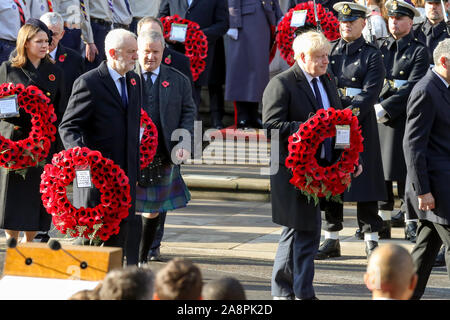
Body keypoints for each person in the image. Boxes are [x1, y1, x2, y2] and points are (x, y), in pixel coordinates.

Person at [263, 30, 358, 300]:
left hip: (322, 170)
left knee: (306, 232)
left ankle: (295, 291)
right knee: (298, 230)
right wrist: (309, 128)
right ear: (302, 57)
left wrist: (350, 159)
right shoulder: (282, 83)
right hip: (292, 171)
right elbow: (271, 126)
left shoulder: (327, 80)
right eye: (320, 57)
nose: (326, 61)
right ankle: (290, 292)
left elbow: (340, 123)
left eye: (327, 55)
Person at [59, 28, 141, 265]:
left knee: (122, 238)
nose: (137, 56)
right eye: (131, 51)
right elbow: (68, 127)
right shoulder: (89, 82)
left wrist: (136, 170)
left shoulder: (134, 80)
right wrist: (82, 158)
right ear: (114, 53)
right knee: (95, 243)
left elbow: (133, 124)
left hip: (126, 176)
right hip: (98, 179)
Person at [316, 2, 387, 261]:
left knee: (365, 181)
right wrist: (335, 113)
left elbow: (370, 93)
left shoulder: (372, 54)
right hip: (334, 125)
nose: (346, 23)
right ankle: (332, 238)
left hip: (360, 123)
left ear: (363, 23)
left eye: (352, 20)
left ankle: (371, 238)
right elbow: (325, 82)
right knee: (332, 177)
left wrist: (346, 112)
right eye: (343, 20)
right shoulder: (330, 50)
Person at [0, 19, 65, 243]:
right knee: (13, 195)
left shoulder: (55, 72)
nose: (45, 45)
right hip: (15, 141)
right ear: (26, 42)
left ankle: (30, 241)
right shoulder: (9, 69)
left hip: (42, 145)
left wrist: (58, 146)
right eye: (39, 41)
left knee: (35, 195)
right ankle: (11, 240)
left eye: (47, 41)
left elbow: (61, 109)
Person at [136, 16, 195, 262]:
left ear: (163, 51)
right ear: (137, 51)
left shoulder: (178, 80)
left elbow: (189, 112)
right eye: (146, 52)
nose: (151, 57)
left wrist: (183, 143)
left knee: (153, 210)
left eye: (156, 52)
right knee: (129, 208)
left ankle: (146, 252)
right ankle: (131, 251)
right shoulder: (126, 78)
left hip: (163, 153)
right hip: (131, 154)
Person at [375, 0, 429, 244]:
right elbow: (374, 79)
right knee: (382, 171)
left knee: (406, 171)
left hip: (405, 116)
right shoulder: (380, 47)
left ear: (410, 21)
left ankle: (410, 220)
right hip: (380, 117)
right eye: (391, 18)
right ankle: (382, 219)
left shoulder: (419, 50)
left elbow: (413, 86)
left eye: (400, 18)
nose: (394, 22)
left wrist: (386, 107)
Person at [403, 39, 450, 300]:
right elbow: (413, 146)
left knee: (425, 248)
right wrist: (423, 192)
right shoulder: (426, 90)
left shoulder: (444, 86)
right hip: (435, 188)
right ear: (443, 62)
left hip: (443, 184)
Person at [158, 0, 229, 114]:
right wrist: (167, 34)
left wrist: (196, 35)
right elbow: (161, 18)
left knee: (193, 96)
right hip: (175, 52)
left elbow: (223, 24)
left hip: (199, 55)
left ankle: (192, 129)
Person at [225, 0, 283, 129]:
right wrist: (234, 23)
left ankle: (253, 114)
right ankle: (242, 116)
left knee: (258, 73)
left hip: (264, 20)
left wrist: (280, 16)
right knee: (241, 70)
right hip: (245, 21)